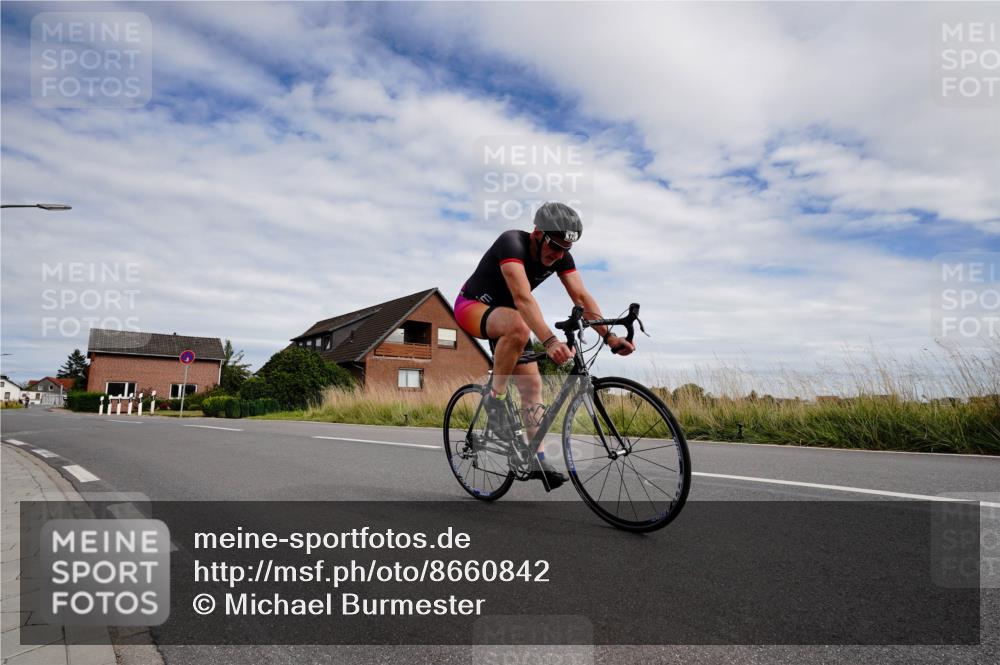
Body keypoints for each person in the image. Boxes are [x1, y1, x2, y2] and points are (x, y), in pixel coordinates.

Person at [453, 202, 635, 488]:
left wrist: (608, 336)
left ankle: (535, 456)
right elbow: (523, 298)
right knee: (518, 324)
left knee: (532, 387)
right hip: (474, 306)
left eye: (565, 249)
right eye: (553, 245)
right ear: (537, 233)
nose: (558, 254)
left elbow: (582, 297)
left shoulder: (560, 256)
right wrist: (549, 341)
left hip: (514, 320)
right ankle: (495, 398)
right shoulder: (512, 243)